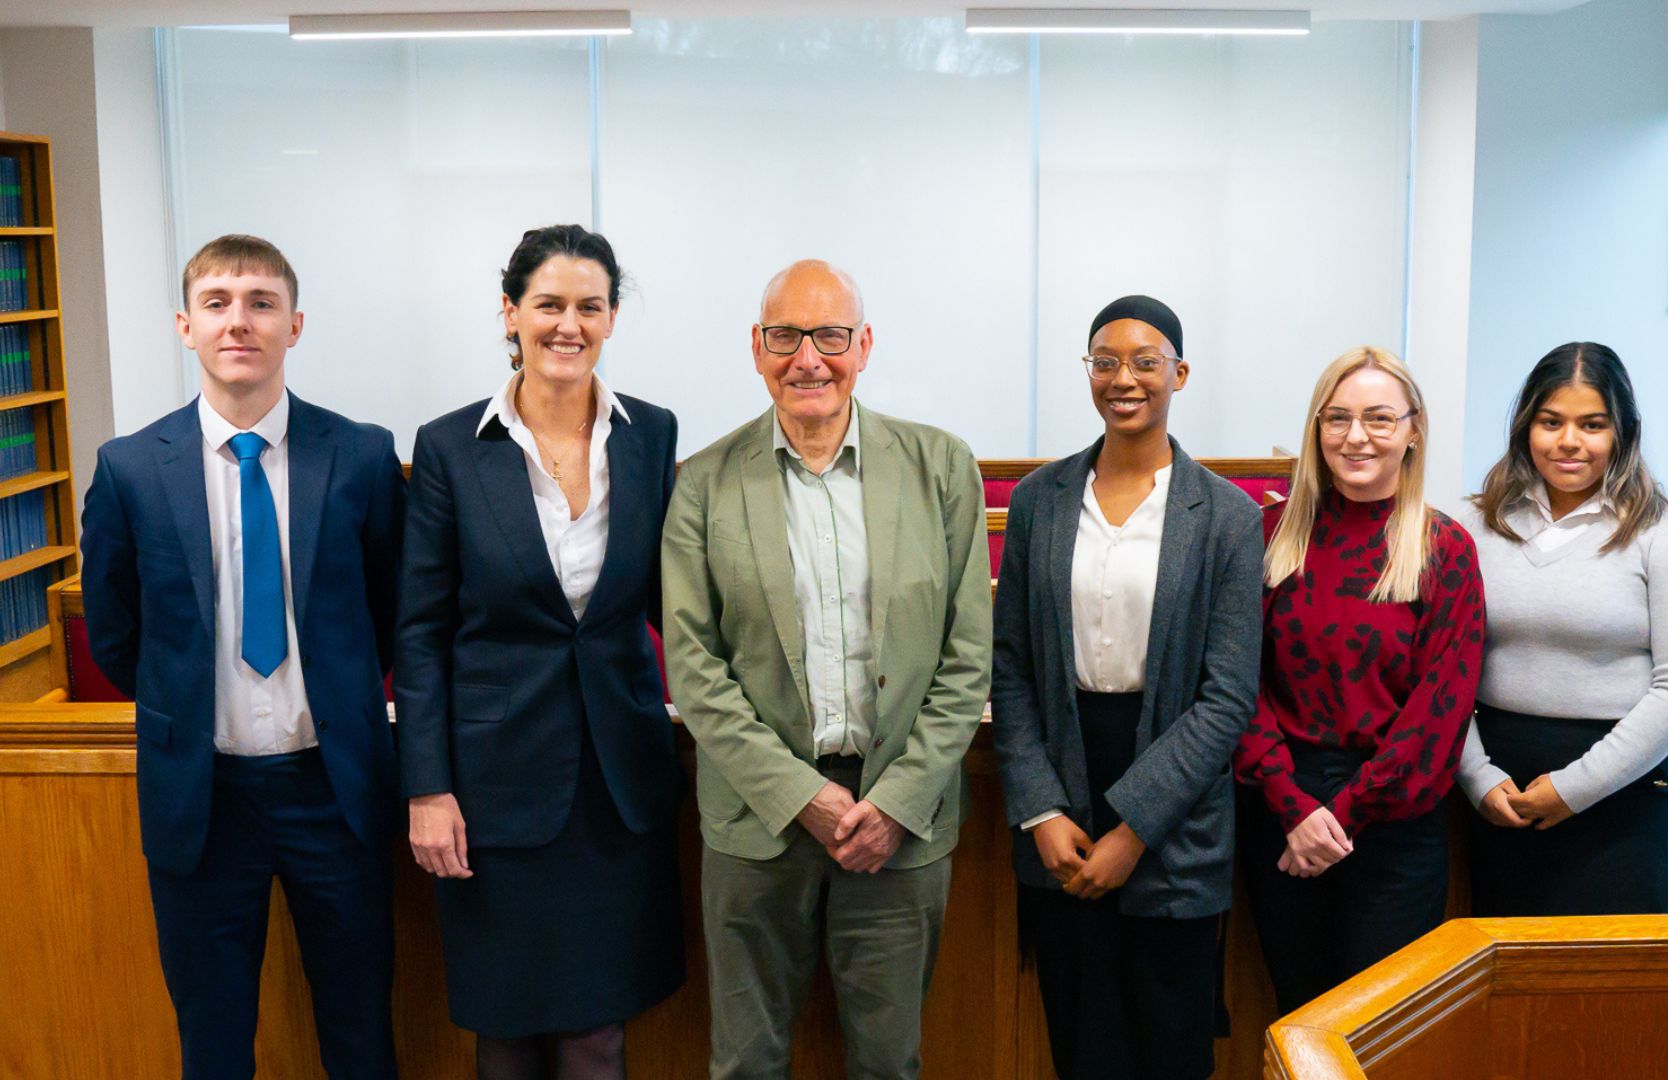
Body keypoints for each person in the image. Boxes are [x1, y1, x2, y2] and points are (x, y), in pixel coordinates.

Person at [80, 234, 405, 1079]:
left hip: (334, 789)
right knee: (214, 1040)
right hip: (202, 796)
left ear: (294, 326)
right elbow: (117, 633)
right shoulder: (128, 470)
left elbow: (392, 607)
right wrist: (186, 708)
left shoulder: (362, 456)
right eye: (218, 302)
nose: (240, 321)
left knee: (360, 1030)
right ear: (185, 326)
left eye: (261, 302)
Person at [661, 259, 992, 1080]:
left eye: (830, 336)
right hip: (755, 822)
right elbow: (694, 664)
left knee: (888, 1064)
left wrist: (897, 799)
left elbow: (968, 655)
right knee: (745, 1063)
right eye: (786, 336)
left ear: (864, 344)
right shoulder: (702, 483)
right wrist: (797, 795)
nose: (808, 358)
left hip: (899, 821)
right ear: (757, 347)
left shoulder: (941, 467)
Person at [394, 225, 682, 1079]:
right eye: (548, 304)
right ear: (510, 313)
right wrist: (427, 787)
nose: (569, 324)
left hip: (616, 790)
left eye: (588, 306)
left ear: (611, 318)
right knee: (508, 1032)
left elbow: (678, 605)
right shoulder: (451, 446)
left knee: (599, 1036)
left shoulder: (651, 434)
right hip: (493, 792)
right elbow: (419, 631)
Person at [991, 295, 1261, 1080]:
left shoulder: (1229, 519)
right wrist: (1042, 812)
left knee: (1170, 1052)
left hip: (1176, 818)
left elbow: (1227, 697)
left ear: (1179, 373)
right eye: (1105, 361)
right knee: (1081, 1049)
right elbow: (1010, 666)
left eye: (1146, 362)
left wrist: (1132, 830)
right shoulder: (1040, 502)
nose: (1124, 379)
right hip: (1062, 794)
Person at [1232, 345, 1485, 1016]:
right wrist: (1293, 806)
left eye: (1378, 417)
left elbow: (1438, 714)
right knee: (1299, 1018)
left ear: (1413, 429)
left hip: (1392, 825)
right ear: (1317, 430)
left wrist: (1338, 818)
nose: (1356, 436)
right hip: (1282, 813)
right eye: (1336, 418)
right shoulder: (1269, 535)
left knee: (1382, 1032)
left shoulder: (1444, 549)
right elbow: (1236, 684)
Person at [1456, 342, 1668, 916]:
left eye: (1592, 424)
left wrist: (1574, 789)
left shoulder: (1664, 537)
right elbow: (1440, 668)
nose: (1569, 441)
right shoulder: (1474, 525)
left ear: (1622, 432)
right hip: (1498, 789)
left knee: (1613, 984)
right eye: (1551, 422)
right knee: (1505, 980)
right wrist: (1476, 775)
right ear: (1527, 427)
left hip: (1623, 790)